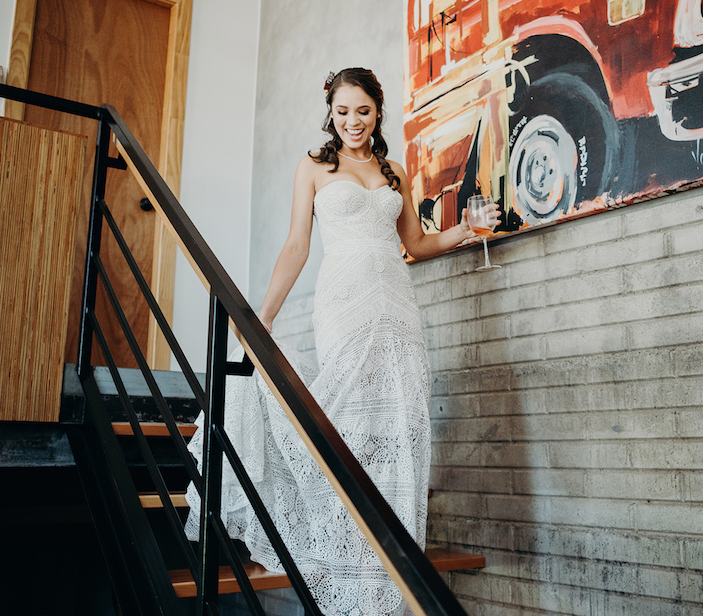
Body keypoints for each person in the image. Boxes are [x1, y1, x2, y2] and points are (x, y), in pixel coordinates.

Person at [185, 67, 498, 615]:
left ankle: (381, 548)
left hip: (397, 304)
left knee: (398, 417)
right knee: (348, 412)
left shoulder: (394, 171)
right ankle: (335, 535)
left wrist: (467, 228)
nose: (353, 121)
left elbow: (418, 245)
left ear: (379, 112)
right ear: (331, 112)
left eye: (364, 111)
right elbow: (296, 247)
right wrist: (262, 317)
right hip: (345, 299)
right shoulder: (313, 166)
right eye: (343, 111)